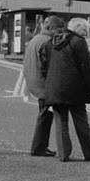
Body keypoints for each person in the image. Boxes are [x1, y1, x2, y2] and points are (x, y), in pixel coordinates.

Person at [43, 18, 90, 162]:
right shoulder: (78, 42)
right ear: (80, 29)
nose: (86, 33)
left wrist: (50, 84)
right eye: (85, 30)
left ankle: (63, 154)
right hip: (75, 89)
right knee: (81, 122)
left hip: (55, 89)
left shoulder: (50, 42)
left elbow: (44, 66)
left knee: (60, 122)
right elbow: (87, 68)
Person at [26, 15, 66, 156]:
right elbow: (47, 66)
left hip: (35, 83)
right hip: (45, 86)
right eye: (58, 30)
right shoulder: (47, 42)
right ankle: (38, 148)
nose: (60, 33)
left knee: (45, 115)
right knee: (45, 116)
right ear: (51, 28)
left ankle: (41, 147)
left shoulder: (35, 39)